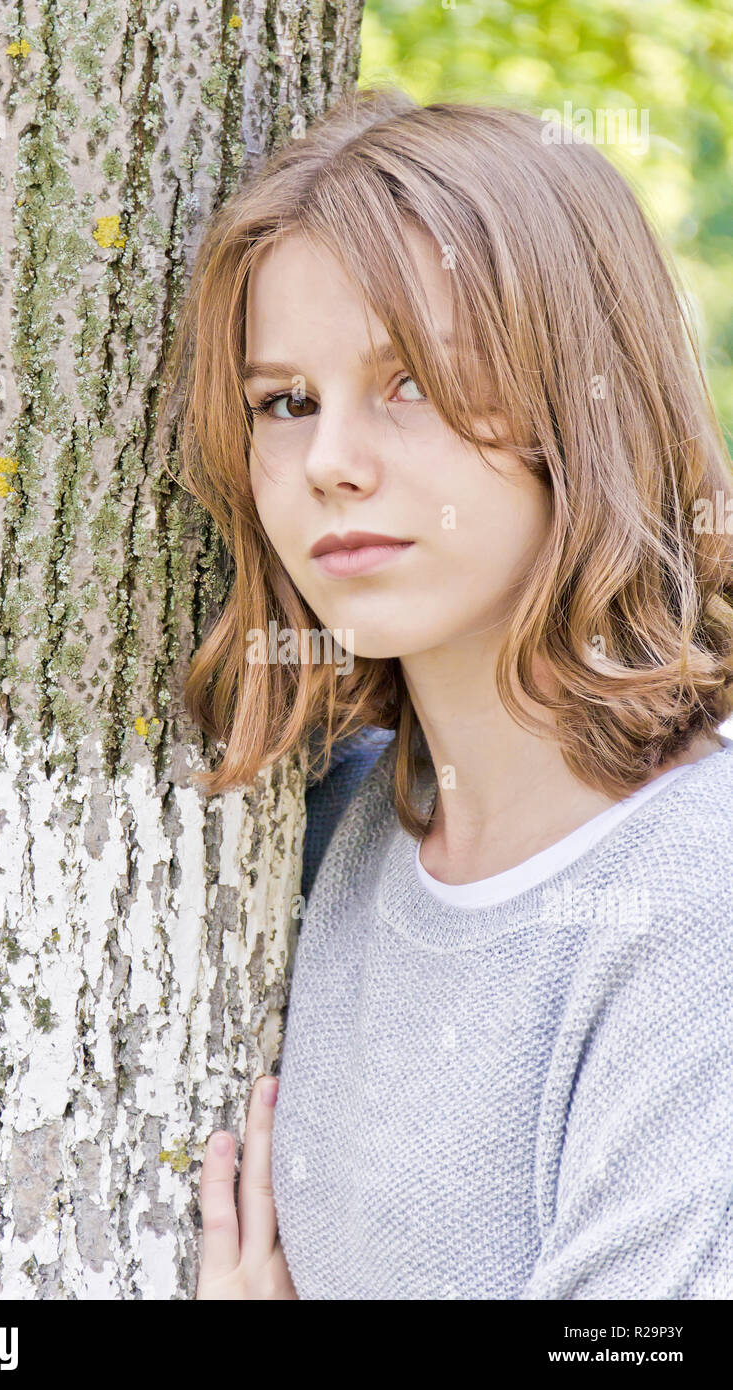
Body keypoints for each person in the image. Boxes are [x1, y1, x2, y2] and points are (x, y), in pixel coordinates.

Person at [158, 85, 733, 1299]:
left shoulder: (697, 895)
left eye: (411, 380)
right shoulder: (320, 829)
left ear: (582, 398)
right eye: (285, 404)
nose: (330, 463)